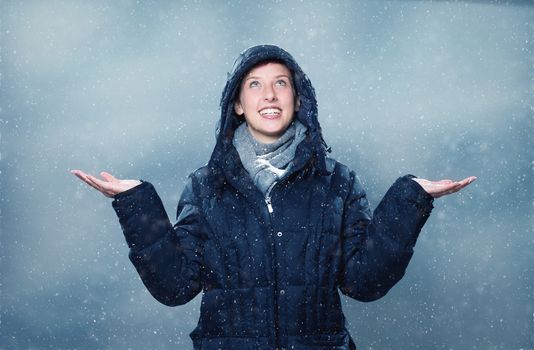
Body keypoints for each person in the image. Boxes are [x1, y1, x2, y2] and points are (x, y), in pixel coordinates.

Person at [71, 45, 476, 350]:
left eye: (280, 83)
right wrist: (136, 204)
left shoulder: (336, 183)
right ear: (238, 105)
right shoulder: (206, 187)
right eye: (255, 85)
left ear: (298, 100)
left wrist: (411, 200)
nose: (269, 94)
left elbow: (364, 281)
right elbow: (175, 286)